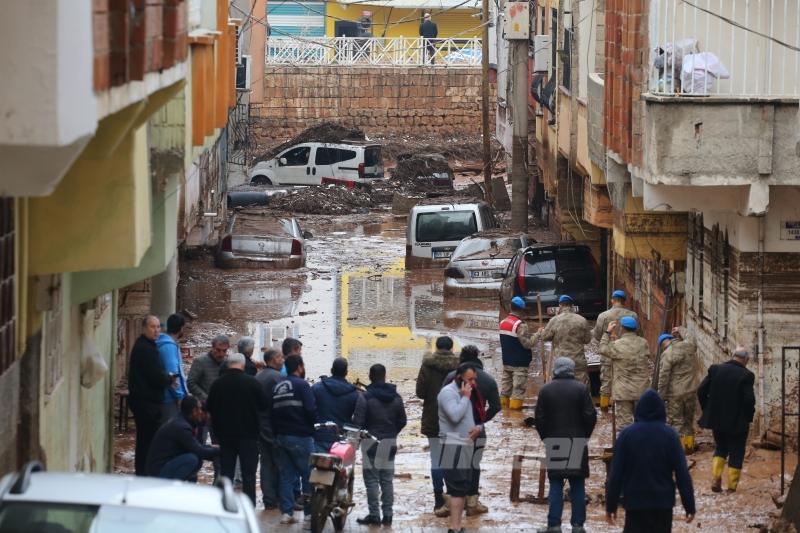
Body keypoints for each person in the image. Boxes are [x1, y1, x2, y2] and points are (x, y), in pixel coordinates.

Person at [606, 389, 696, 533]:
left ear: (638, 410)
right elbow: (682, 473)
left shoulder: (626, 435)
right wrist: (689, 505)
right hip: (663, 504)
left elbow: (616, 474)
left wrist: (611, 505)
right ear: (662, 411)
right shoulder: (670, 435)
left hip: (635, 503)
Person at [534, 357, 597, 533]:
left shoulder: (546, 390)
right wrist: (584, 437)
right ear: (571, 370)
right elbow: (590, 416)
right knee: (577, 484)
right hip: (577, 440)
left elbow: (539, 418)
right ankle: (578, 526)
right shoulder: (581, 389)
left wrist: (546, 438)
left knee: (555, 483)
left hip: (554, 442)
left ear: (556, 369)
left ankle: (554, 525)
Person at [444, 345, 500, 516]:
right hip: (476, 429)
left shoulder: (451, 377)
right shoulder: (488, 380)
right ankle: (472, 503)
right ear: (477, 357)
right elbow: (496, 406)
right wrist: (481, 421)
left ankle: (453, 502)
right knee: (474, 464)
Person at [205, 353, 266, 505]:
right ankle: (249, 506)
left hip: (225, 436)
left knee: (226, 473)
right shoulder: (252, 382)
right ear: (243, 365)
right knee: (249, 475)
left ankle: (225, 504)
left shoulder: (218, 384)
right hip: (249, 435)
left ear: (227, 365)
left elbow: (209, 408)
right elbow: (264, 405)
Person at [698, 346, 755, 493]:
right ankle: (731, 488)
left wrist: (707, 409)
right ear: (746, 360)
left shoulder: (715, 369)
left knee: (721, 448)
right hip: (737, 422)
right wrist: (748, 417)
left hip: (717, 420)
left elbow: (701, 390)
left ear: (732, 355)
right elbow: (749, 400)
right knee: (736, 452)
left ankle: (716, 477)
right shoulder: (746, 375)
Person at [356, 364, 407, 527]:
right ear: (385, 376)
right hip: (389, 443)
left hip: (370, 442)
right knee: (387, 481)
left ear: (370, 376)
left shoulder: (365, 397)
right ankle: (388, 515)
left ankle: (374, 515)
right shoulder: (396, 397)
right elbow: (402, 421)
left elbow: (358, 422)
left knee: (371, 481)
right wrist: (392, 433)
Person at [416, 336, 460, 516]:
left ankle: (438, 499)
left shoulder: (427, 365)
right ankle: (452, 497)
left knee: (436, 458)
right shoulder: (460, 367)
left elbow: (420, 392)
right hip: (454, 418)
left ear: (436, 347)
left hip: (433, 417)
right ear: (451, 348)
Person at [272, 354, 317, 525]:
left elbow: (272, 413)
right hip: (301, 436)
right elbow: (311, 410)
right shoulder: (302, 385)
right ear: (299, 367)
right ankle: (309, 513)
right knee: (309, 474)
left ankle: (287, 513)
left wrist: (277, 434)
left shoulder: (278, 386)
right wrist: (313, 427)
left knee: (286, 475)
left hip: (281, 437)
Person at [437, 363, 482, 533]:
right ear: (459, 378)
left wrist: (479, 428)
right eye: (470, 379)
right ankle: (454, 528)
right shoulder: (448, 393)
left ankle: (457, 526)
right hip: (452, 444)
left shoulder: (469, 393)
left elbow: (474, 418)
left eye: (474, 379)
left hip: (465, 445)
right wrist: (465, 397)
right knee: (456, 488)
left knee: (463, 487)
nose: (473, 382)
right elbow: (455, 416)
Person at [129, 315, 174, 476]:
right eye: (152, 327)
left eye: (158, 327)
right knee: (148, 441)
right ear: (144, 328)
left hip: (143, 401)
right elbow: (155, 376)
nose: (156, 331)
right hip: (146, 403)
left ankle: (143, 472)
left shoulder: (146, 345)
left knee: (145, 440)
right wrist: (169, 378)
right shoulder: (145, 349)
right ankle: (145, 473)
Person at [146, 395, 220, 480]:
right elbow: (199, 450)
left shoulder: (182, 421)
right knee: (192, 459)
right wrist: (221, 450)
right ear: (194, 411)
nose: (201, 411)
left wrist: (212, 448)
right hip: (158, 472)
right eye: (199, 408)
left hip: (161, 466)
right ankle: (172, 487)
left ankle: (186, 488)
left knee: (196, 458)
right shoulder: (181, 427)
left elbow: (195, 447)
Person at [187, 333, 229, 479]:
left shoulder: (228, 363)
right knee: (197, 447)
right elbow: (191, 383)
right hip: (202, 413)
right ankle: (192, 479)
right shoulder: (201, 362)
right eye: (218, 350)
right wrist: (207, 399)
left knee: (220, 450)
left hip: (220, 414)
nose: (221, 354)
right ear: (212, 348)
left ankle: (218, 483)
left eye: (224, 351)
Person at [599, 316, 652, 433]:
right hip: (641, 389)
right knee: (643, 422)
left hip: (623, 391)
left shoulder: (617, 345)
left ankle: (628, 448)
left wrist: (607, 332)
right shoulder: (643, 343)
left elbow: (602, 349)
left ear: (622, 329)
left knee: (625, 426)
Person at [655, 326, 700, 454]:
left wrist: (660, 397)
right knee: (688, 421)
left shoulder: (667, 354)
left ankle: (680, 452)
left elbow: (663, 378)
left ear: (663, 344)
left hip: (676, 393)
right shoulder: (688, 346)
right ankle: (689, 448)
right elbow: (691, 338)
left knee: (677, 422)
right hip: (691, 390)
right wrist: (680, 329)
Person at [530, 295, 592, 385]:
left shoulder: (554, 320)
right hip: (578, 362)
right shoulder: (582, 320)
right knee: (581, 387)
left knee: (561, 387)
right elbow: (587, 340)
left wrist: (542, 331)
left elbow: (545, 337)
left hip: (561, 363)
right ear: (572, 306)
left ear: (560, 305)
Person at [592, 290, 638, 410]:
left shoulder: (603, 316)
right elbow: (638, 335)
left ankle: (604, 410)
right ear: (624, 301)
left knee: (606, 382)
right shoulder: (632, 315)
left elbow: (597, 336)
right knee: (626, 381)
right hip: (627, 354)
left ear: (612, 300)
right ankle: (626, 409)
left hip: (608, 354)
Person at [311, 357, 365, 453]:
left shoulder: (316, 388)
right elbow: (358, 420)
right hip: (341, 440)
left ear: (331, 370)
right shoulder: (355, 394)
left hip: (319, 437)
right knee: (341, 467)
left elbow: (309, 411)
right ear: (346, 372)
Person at [256, 347, 285, 509]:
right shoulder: (278, 378)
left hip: (259, 427)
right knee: (280, 463)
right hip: (274, 427)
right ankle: (281, 497)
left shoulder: (258, 377)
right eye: (280, 357)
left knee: (266, 463)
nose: (283, 360)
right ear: (274, 359)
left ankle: (268, 499)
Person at [499, 297, 535, 410]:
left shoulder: (503, 322)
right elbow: (528, 344)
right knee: (518, 390)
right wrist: (538, 335)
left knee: (505, 390)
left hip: (507, 362)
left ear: (511, 307)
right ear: (522, 310)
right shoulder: (520, 325)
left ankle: (504, 414)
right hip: (519, 364)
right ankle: (515, 416)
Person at [156, 313, 189, 423]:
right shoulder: (169, 346)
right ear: (181, 328)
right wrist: (179, 396)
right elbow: (173, 374)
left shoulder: (163, 342)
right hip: (169, 400)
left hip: (165, 396)